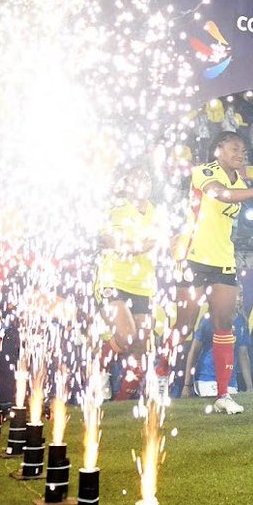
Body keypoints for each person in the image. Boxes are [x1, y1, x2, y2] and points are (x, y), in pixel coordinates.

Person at [170, 131, 253, 414]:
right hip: (194, 258)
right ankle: (158, 376)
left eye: (243, 150)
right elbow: (221, 194)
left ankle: (222, 394)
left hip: (224, 261)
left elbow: (233, 198)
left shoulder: (240, 181)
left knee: (224, 325)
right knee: (183, 327)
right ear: (218, 150)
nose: (241, 153)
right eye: (234, 148)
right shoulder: (203, 172)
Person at [95, 168, 164, 401]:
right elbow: (109, 239)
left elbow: (153, 241)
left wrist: (132, 245)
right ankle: (100, 369)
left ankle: (122, 402)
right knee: (126, 337)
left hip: (142, 284)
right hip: (113, 279)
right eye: (137, 178)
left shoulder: (155, 212)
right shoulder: (115, 209)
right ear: (126, 184)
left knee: (141, 346)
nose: (143, 182)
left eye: (147, 177)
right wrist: (134, 245)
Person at [183, 308, 253, 399]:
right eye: (234, 296)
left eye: (240, 295)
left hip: (231, 381)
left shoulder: (242, 321)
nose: (238, 299)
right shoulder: (209, 319)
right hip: (207, 378)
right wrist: (187, 385)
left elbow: (243, 355)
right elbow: (194, 352)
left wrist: (250, 387)